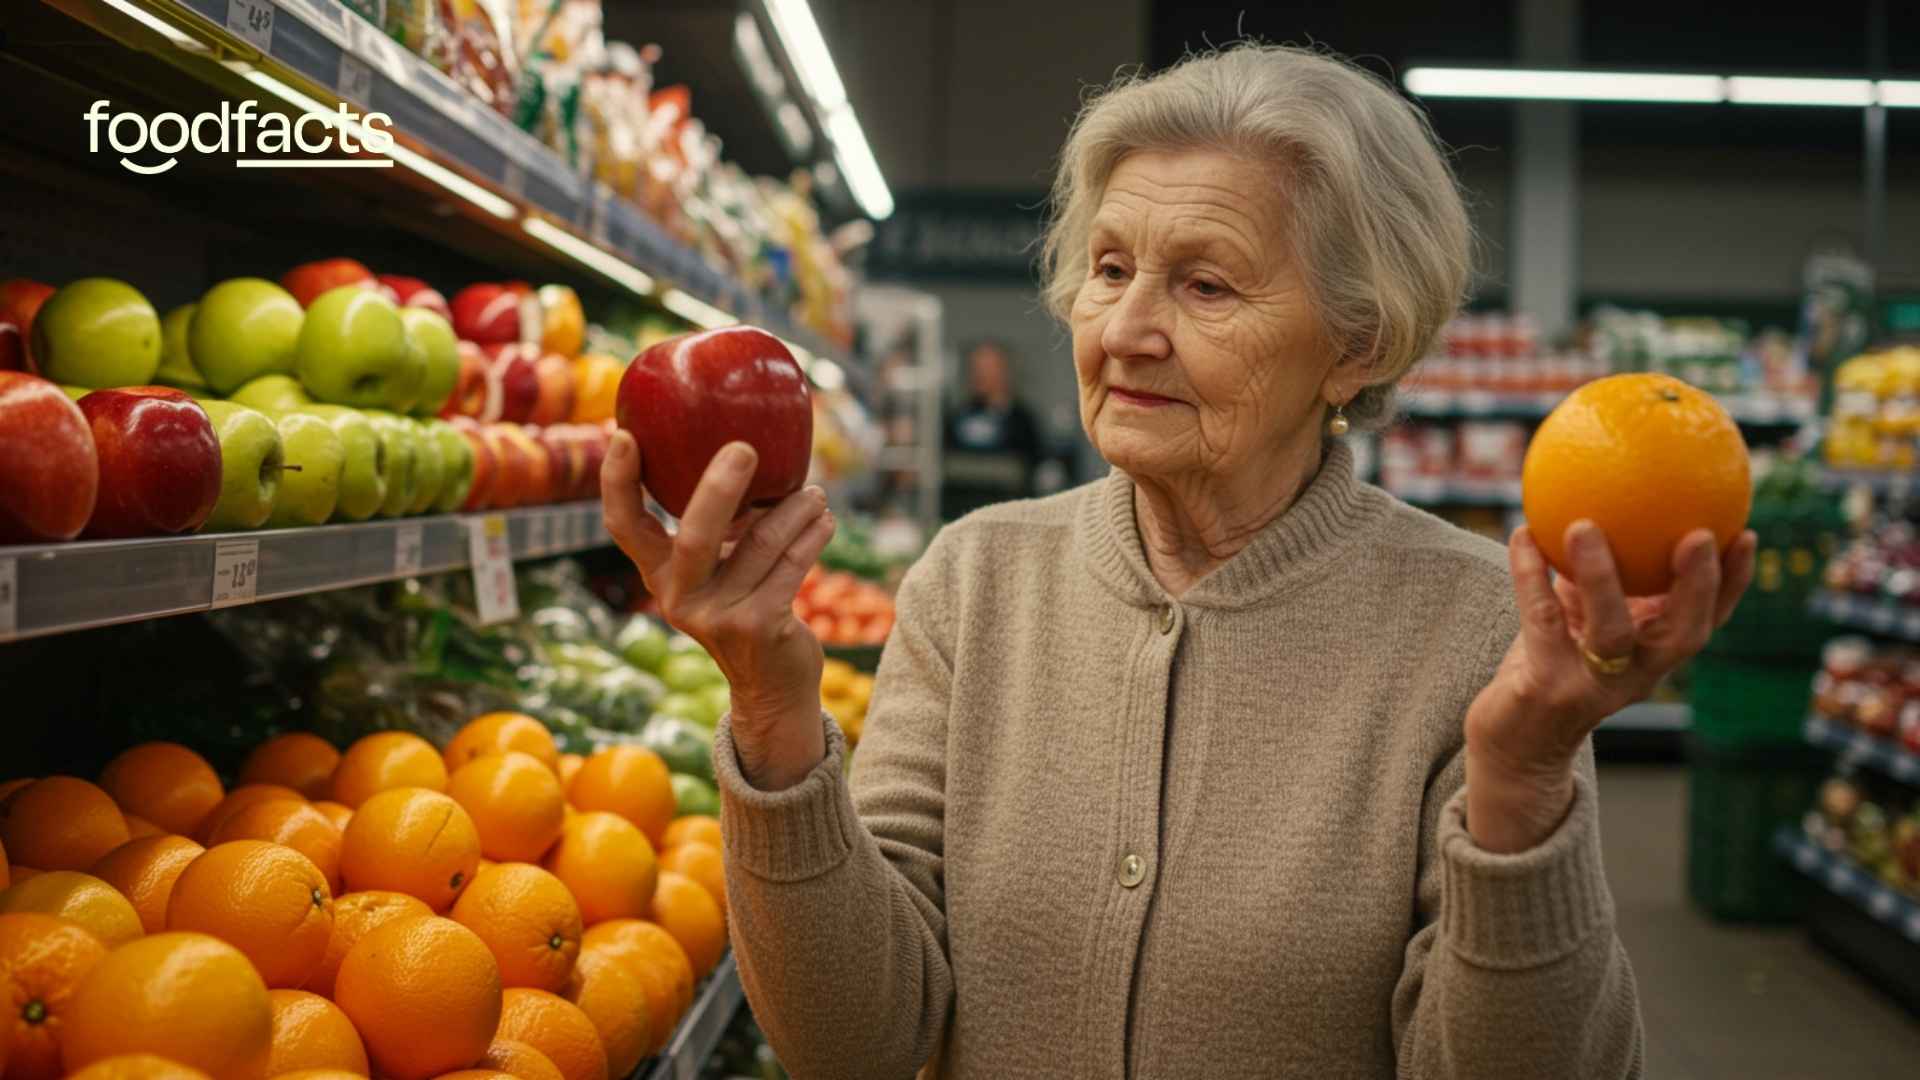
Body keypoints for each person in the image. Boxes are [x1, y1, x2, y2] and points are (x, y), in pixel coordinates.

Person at [601, 43, 1755, 1079]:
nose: (1123, 330)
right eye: (1109, 270)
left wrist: (1523, 785)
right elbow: (855, 1043)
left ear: (1356, 344)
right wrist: (769, 709)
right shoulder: (976, 581)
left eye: (1204, 284)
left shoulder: (1476, 632)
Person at [940, 340, 1045, 519]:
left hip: (1008, 515)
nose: (981, 374)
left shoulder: (1023, 420)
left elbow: (1031, 466)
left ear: (1004, 371)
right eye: (977, 367)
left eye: (989, 367)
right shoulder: (955, 417)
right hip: (959, 513)